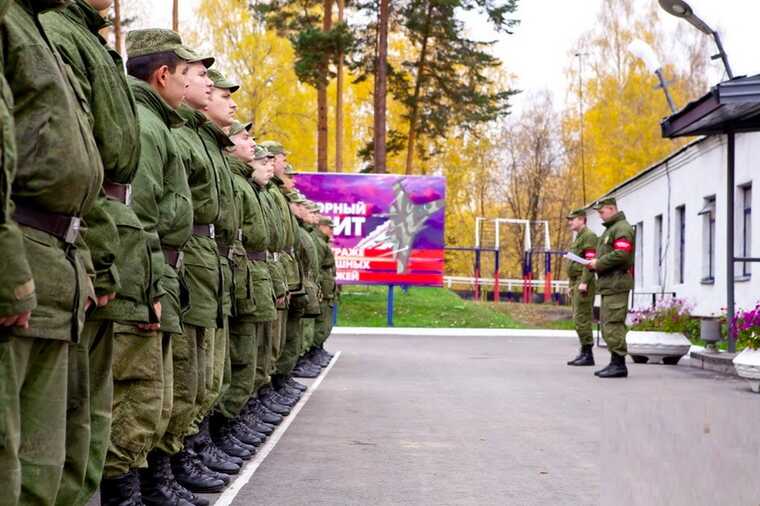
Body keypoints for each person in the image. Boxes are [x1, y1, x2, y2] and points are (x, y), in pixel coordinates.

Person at [41, 2, 149, 504]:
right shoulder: (56, 30)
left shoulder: (88, 38)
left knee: (88, 409)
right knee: (55, 420)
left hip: (95, 237)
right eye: (196, 74)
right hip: (65, 236)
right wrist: (97, 260)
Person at [1, 0, 104, 503]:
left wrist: (83, 264)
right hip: (20, 248)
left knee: (44, 455)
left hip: (55, 254)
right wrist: (8, 271)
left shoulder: (35, 23)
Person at [101, 28, 198, 505]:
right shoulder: (144, 121)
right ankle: (124, 495)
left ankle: (143, 486)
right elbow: (135, 215)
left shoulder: (159, 123)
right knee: (137, 395)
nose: (191, 84)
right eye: (188, 74)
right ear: (163, 75)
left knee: (153, 395)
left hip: (154, 271)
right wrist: (147, 289)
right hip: (140, 277)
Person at [219, 121, 280, 449]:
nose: (268, 165)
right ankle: (222, 429)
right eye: (245, 138)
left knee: (254, 353)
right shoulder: (238, 184)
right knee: (238, 356)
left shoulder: (251, 188)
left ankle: (239, 417)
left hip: (252, 275)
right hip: (236, 274)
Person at [587, 197, 635, 379]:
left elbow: (622, 254)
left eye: (602, 212)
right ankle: (615, 361)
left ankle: (619, 364)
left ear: (612, 209)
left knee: (613, 323)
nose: (600, 216)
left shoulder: (622, 228)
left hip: (617, 283)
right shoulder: (611, 230)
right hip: (609, 284)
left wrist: (598, 263)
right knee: (607, 324)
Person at [565, 208, 598, 367]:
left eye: (572, 219)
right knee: (578, 318)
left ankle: (588, 353)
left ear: (582, 219)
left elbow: (590, 262)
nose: (570, 222)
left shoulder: (589, 237)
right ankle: (584, 351)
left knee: (582, 318)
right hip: (576, 281)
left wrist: (584, 281)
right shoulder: (579, 237)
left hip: (584, 282)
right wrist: (571, 285)